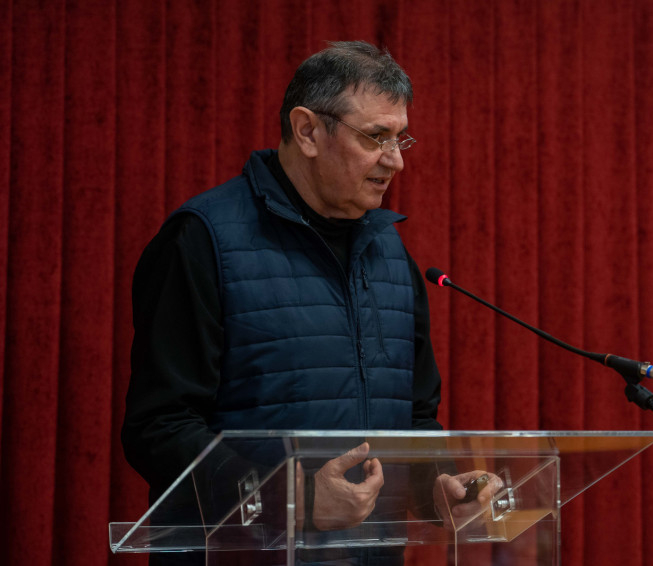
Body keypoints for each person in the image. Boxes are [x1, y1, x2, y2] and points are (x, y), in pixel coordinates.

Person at [122, 41, 498, 566]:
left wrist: (438, 486)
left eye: (400, 139)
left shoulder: (391, 255)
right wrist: (290, 498)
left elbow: (414, 417)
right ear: (307, 131)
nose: (396, 160)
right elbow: (160, 428)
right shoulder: (202, 241)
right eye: (376, 137)